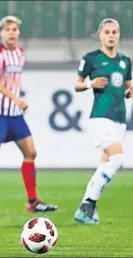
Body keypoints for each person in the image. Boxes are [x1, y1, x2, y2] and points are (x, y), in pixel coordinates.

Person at [0, 15, 58, 215]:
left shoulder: (20, 52)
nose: (12, 33)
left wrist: (16, 102)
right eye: (8, 29)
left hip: (14, 114)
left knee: (31, 153)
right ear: (1, 32)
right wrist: (16, 98)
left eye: (15, 29)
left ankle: (33, 201)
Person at [74, 18, 132, 224]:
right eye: (107, 32)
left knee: (105, 163)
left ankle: (86, 209)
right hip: (100, 116)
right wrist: (91, 83)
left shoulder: (125, 61)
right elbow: (77, 85)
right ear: (100, 35)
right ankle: (88, 203)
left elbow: (127, 86)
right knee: (118, 160)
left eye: (115, 32)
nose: (111, 35)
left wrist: (129, 90)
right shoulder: (91, 59)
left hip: (119, 119)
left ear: (119, 34)